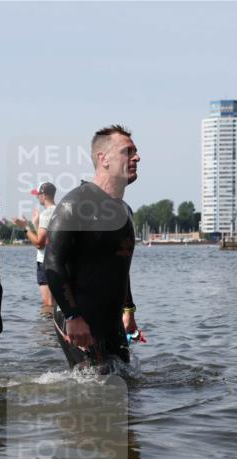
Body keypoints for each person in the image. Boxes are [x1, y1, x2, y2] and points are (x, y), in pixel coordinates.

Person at [43, 125, 143, 369]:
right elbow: (52, 264)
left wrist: (128, 309)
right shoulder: (75, 205)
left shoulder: (124, 210)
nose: (137, 158)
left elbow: (119, 265)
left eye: (136, 152)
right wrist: (72, 316)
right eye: (128, 152)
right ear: (104, 159)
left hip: (111, 319)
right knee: (95, 390)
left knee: (125, 385)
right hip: (79, 317)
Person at [12, 182, 56, 307]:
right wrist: (36, 224)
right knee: (57, 303)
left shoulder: (46, 214)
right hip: (56, 261)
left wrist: (25, 227)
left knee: (48, 304)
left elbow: (39, 244)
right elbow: (46, 238)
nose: (37, 197)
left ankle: (46, 326)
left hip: (45, 262)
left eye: (38, 195)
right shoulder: (58, 211)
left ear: (44, 195)